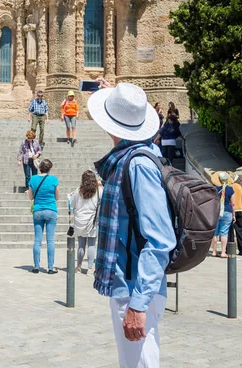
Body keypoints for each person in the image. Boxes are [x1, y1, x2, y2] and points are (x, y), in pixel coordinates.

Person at [88, 78, 176, 368]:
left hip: (136, 288)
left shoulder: (137, 164)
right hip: (130, 286)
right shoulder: (132, 158)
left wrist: (138, 304)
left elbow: (161, 238)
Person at [28, 159, 59, 274]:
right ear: (50, 168)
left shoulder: (33, 179)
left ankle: (36, 266)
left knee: (37, 240)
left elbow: (30, 197)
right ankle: (50, 267)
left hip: (38, 211)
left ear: (39, 167)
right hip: (51, 210)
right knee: (50, 240)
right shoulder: (54, 179)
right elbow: (57, 197)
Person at [69, 170, 103, 275]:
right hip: (92, 221)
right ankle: (90, 268)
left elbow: (73, 205)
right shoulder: (99, 190)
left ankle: (78, 266)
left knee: (81, 245)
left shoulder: (78, 190)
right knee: (91, 245)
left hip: (80, 220)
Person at [211, 171, 235, 258]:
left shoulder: (215, 189)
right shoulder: (230, 189)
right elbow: (233, 204)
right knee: (224, 233)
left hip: (216, 212)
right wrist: (234, 215)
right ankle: (223, 252)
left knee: (215, 233)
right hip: (227, 211)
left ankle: (214, 251)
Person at [229, 173, 242, 256]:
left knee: (230, 231)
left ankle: (230, 249)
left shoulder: (228, 187)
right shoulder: (238, 186)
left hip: (231, 209)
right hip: (239, 209)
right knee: (239, 230)